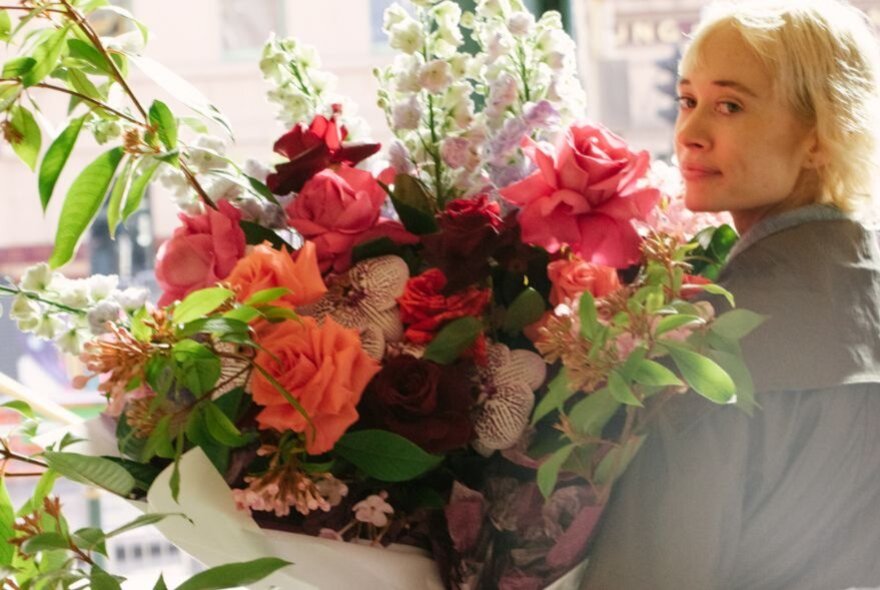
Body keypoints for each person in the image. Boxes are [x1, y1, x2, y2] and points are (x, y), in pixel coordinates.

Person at [581, 1, 880, 588]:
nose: (689, 133)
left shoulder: (705, 344)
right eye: (687, 100)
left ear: (821, 136)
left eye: (730, 106)